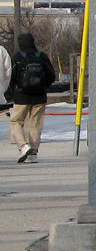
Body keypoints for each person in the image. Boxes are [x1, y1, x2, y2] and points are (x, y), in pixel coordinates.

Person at [6, 32, 56, 164]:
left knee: (16, 121)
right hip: (39, 96)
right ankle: (33, 153)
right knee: (36, 125)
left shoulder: (17, 57)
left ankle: (23, 146)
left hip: (21, 96)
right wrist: (44, 87)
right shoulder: (42, 56)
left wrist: (11, 92)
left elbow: (11, 77)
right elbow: (51, 75)